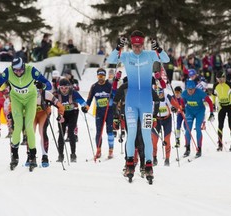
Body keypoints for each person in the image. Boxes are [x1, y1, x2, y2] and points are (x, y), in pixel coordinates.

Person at [107, 30, 169, 182]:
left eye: (139, 45)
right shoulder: (127, 56)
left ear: (143, 44)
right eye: (134, 45)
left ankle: (148, 165)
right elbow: (111, 59)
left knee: (147, 135)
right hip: (131, 103)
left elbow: (165, 59)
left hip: (147, 102)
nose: (137, 48)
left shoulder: (149, 55)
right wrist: (118, 47)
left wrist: (158, 49)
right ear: (131, 44)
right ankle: (129, 163)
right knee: (132, 133)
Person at [0, 57, 52, 170]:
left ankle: (32, 156)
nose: (18, 72)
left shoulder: (31, 70)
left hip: (30, 99)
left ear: (24, 66)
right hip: (16, 99)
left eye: (20, 70)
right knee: (17, 126)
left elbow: (49, 85)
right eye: (16, 70)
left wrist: (42, 85)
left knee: (28, 126)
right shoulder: (8, 71)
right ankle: (14, 155)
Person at [84, 68, 115, 159]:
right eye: (99, 76)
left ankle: (110, 150)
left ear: (105, 77)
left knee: (109, 131)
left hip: (109, 111)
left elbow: (115, 96)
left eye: (102, 76)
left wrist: (112, 100)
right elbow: (89, 99)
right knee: (98, 132)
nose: (100, 78)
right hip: (99, 112)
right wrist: (86, 107)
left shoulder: (109, 85)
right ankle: (98, 150)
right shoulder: (94, 87)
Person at [55, 78, 88, 162]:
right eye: (62, 88)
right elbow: (49, 100)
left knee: (70, 132)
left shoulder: (73, 93)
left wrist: (85, 108)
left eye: (66, 88)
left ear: (69, 87)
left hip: (73, 113)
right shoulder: (57, 94)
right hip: (62, 114)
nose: (64, 90)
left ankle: (73, 154)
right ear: (59, 87)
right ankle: (60, 155)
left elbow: (82, 102)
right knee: (61, 133)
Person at [180, 80, 214, 157]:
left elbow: (209, 101)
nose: (190, 91)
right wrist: (183, 108)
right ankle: (187, 148)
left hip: (200, 111)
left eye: (192, 89)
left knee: (198, 128)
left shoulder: (200, 93)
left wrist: (211, 113)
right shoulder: (184, 93)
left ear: (195, 88)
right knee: (188, 129)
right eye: (189, 89)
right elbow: (182, 100)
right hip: (189, 111)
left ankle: (199, 148)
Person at [33, 87, 65, 167]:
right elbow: (15, 103)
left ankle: (45, 156)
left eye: (39, 88)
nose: (37, 91)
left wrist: (60, 115)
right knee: (30, 133)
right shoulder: (26, 92)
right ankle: (30, 155)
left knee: (42, 131)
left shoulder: (47, 94)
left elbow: (60, 106)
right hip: (31, 114)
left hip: (44, 114)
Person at [212, 70, 231, 152]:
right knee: (220, 125)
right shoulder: (215, 85)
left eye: (221, 79)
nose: (220, 81)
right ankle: (220, 145)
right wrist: (213, 104)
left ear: (224, 77)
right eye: (218, 79)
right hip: (221, 106)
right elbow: (213, 95)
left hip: (230, 106)